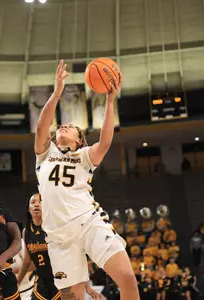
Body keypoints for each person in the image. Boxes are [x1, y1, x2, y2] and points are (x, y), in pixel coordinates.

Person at [34, 60, 136, 300]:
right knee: (73, 298)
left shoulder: (85, 157)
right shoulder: (45, 154)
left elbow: (106, 141)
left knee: (128, 279)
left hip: (87, 223)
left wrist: (110, 101)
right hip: (58, 238)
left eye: (71, 127)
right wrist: (58, 91)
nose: (65, 125)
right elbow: (41, 127)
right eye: (62, 125)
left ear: (80, 141)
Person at [17, 194, 104, 300]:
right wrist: (17, 284)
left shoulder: (56, 228)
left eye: (40, 202)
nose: (36, 205)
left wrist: (87, 286)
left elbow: (74, 257)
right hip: (41, 281)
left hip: (61, 279)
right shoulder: (27, 232)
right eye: (33, 202)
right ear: (28, 208)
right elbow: (26, 261)